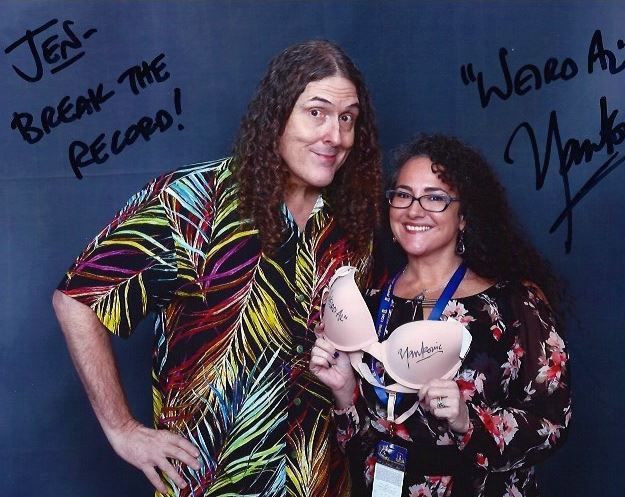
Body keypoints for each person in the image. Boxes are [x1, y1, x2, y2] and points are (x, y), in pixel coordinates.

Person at [52, 40, 382, 497]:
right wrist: (122, 427)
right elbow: (77, 298)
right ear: (278, 115)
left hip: (320, 483)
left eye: (348, 118)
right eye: (317, 112)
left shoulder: (352, 227)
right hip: (208, 484)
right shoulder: (189, 203)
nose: (335, 135)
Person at [309, 134, 571, 497]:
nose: (414, 210)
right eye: (402, 195)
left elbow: (553, 424)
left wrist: (468, 421)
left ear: (463, 217)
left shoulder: (514, 305)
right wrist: (343, 390)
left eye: (435, 197)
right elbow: (358, 445)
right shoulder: (365, 306)